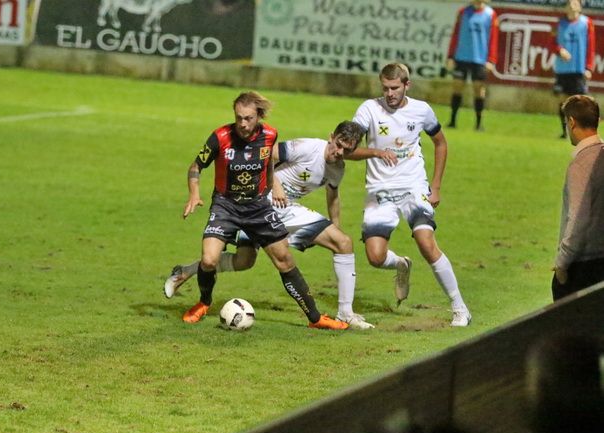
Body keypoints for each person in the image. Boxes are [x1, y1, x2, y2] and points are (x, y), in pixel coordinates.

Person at [165, 121, 373, 330]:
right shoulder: (307, 147)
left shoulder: (338, 169)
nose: (340, 152)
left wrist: (335, 226)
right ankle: (188, 272)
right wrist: (276, 186)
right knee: (245, 261)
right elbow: (264, 155)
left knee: (342, 243)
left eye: (347, 150)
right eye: (338, 145)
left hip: (287, 209)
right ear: (331, 137)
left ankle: (345, 314)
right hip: (260, 203)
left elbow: (333, 195)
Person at [347, 63, 471, 327]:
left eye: (395, 88)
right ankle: (401, 264)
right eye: (385, 88)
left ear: (407, 85)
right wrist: (376, 152)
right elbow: (349, 150)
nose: (390, 94)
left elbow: (441, 143)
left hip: (413, 187)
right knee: (375, 257)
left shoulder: (422, 110)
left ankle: (460, 308)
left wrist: (436, 186)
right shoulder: (369, 109)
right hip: (380, 190)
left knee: (426, 242)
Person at [552, 95, 604, 301]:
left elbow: (578, 219)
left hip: (582, 267)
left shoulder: (581, 165)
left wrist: (562, 263)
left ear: (572, 122)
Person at [446, 0, 499, 131]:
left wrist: (491, 60)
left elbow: (493, 39)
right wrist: (451, 56)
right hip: (461, 57)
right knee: (457, 87)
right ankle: (452, 121)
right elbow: (455, 34)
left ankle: (479, 124)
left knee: (479, 89)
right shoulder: (463, 12)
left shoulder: (490, 14)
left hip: (480, 59)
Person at [551, 0, 596, 139]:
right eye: (569, 3)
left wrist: (588, 67)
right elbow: (551, 42)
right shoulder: (559, 24)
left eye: (575, 3)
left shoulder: (587, 23)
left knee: (581, 102)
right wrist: (559, 50)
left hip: (578, 69)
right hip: (562, 69)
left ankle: (584, 132)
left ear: (580, 7)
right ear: (565, 7)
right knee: (563, 101)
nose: (571, 6)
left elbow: (591, 47)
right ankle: (565, 132)